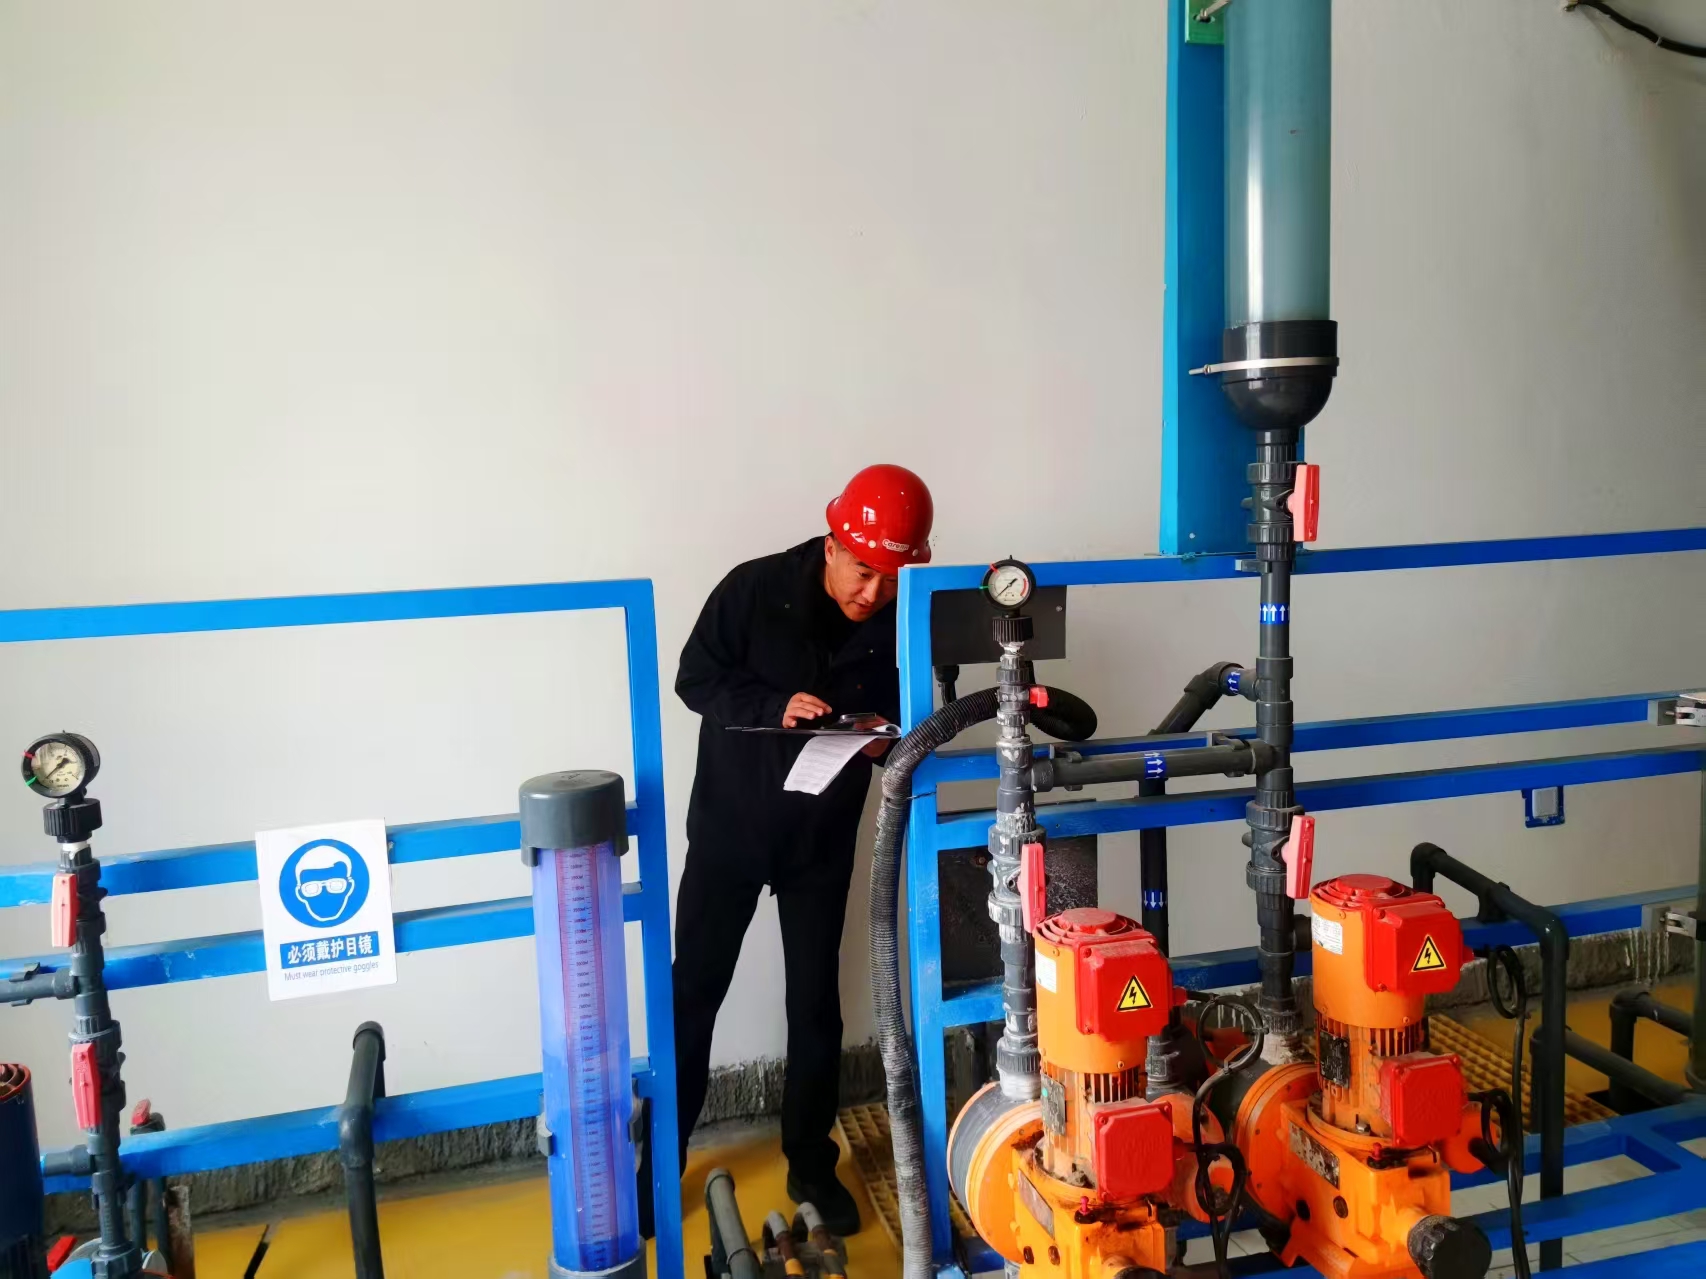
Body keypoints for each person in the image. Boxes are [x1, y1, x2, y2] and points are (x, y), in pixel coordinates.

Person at [667, 463, 934, 1236]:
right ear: (832, 543)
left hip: (819, 838)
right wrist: (770, 703)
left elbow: (917, 709)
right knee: (693, 994)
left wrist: (886, 739)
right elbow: (694, 677)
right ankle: (659, 1159)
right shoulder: (753, 590)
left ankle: (813, 1163)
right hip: (730, 829)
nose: (872, 592)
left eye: (891, 576)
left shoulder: (902, 614)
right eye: (862, 571)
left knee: (815, 1004)